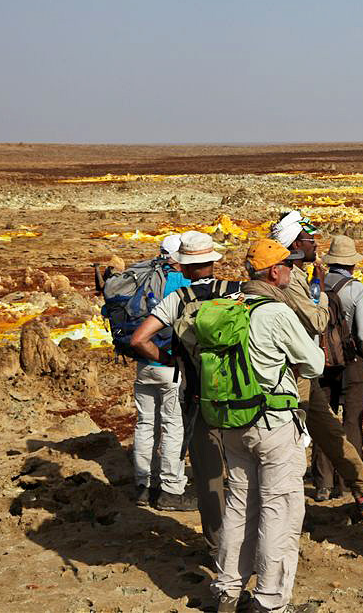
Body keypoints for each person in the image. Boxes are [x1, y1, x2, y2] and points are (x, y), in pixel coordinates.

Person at [207, 238, 325, 613]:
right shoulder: (276, 312)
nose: (293, 271)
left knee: (239, 505)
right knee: (281, 509)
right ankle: (270, 601)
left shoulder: (227, 307)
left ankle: (227, 590)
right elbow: (315, 364)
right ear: (275, 272)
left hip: (231, 422)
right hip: (273, 422)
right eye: (289, 266)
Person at [270, 211, 363, 515]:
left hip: (314, 363)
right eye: (308, 238)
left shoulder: (310, 277)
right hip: (325, 365)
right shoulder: (337, 286)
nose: (314, 242)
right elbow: (351, 329)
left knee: (323, 423)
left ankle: (336, 485)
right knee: (340, 423)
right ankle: (342, 486)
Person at [131, 230, 240, 564]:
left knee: (209, 478)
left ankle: (217, 548)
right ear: (211, 262)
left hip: (197, 398)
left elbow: (139, 339)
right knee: (243, 473)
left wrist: (168, 359)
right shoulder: (237, 294)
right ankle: (247, 542)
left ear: (187, 267)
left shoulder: (178, 299)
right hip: (239, 399)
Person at [312, 235, 363, 500]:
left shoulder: (315, 286)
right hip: (352, 362)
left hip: (322, 359)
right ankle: (349, 481)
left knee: (323, 419)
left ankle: (323, 483)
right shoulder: (357, 289)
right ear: (352, 264)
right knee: (352, 420)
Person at [131, 234, 193, 510]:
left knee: (144, 424)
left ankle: (142, 485)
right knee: (173, 426)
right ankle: (171, 489)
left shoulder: (144, 277)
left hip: (142, 361)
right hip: (169, 363)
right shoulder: (180, 283)